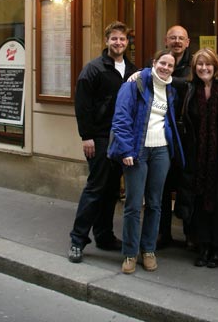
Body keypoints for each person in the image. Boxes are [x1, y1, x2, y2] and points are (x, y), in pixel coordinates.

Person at [108, 49, 185, 274]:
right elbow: (121, 118)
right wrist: (126, 150)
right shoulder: (134, 84)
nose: (165, 68)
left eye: (170, 66)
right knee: (133, 204)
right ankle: (130, 254)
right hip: (137, 151)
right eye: (162, 63)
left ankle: (148, 250)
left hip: (161, 151)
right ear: (154, 62)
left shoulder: (171, 90)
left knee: (155, 203)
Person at [67, 21, 138, 264]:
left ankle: (104, 236)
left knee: (110, 191)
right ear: (107, 41)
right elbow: (83, 105)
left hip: (121, 138)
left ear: (127, 43)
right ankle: (77, 239)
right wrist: (85, 136)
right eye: (114, 39)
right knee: (96, 188)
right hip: (98, 138)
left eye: (123, 39)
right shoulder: (94, 69)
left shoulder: (131, 70)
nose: (119, 43)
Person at [179, 48, 218, 268]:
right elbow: (161, 76)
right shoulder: (189, 89)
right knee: (199, 201)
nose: (204, 68)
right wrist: (140, 74)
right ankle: (203, 246)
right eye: (199, 65)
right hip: (197, 155)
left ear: (216, 66)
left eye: (208, 64)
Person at [158, 25, 191, 248]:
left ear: (187, 42)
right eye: (173, 38)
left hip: (188, 136)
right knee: (161, 187)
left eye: (181, 38)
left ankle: (191, 236)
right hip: (163, 135)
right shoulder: (161, 64)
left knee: (188, 187)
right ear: (166, 41)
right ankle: (163, 234)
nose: (177, 41)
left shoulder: (197, 63)